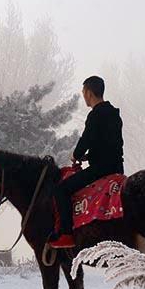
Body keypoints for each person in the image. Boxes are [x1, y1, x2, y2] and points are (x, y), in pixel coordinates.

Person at [51, 76, 124, 249]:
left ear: (89, 93)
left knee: (61, 190)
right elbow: (109, 146)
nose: (83, 95)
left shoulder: (95, 115)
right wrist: (89, 157)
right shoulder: (114, 114)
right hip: (116, 167)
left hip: (101, 169)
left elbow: (87, 139)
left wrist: (76, 155)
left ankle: (67, 234)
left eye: (84, 92)